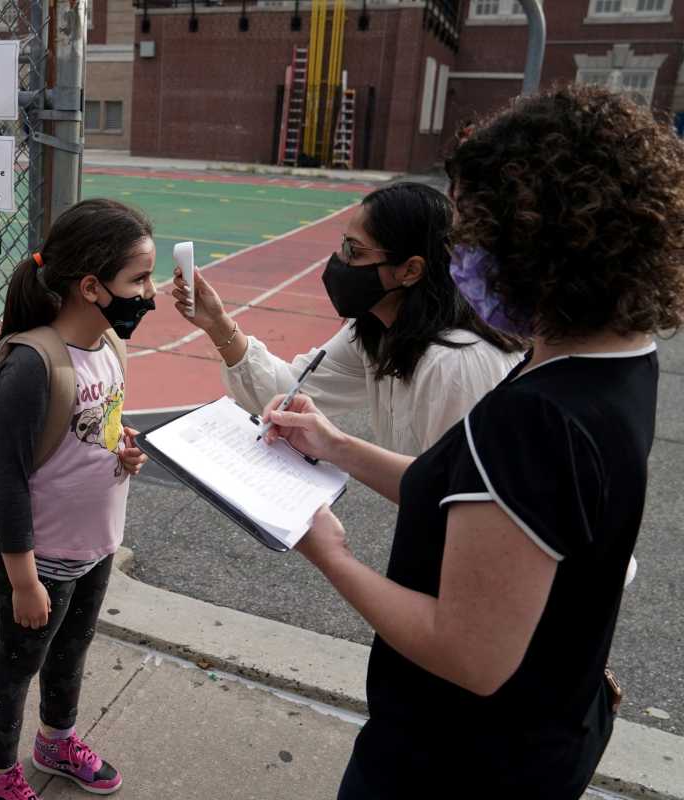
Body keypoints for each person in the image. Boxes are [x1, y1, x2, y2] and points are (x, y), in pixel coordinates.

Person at [263, 84, 684, 799]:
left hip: (458, 762)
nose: (460, 252)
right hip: (544, 730)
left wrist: (327, 552)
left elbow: (469, 654)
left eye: (471, 228)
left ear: (539, 242)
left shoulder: (537, 417)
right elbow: (475, 498)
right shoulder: (614, 358)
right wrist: (337, 445)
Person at [0, 199, 154, 800]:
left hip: (95, 543)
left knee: (72, 651)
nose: (149, 295)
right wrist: (23, 580)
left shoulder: (111, 349)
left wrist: (123, 454)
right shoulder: (33, 363)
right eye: (139, 280)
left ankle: (55, 741)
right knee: (17, 665)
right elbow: (8, 480)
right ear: (91, 287)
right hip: (39, 558)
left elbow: (97, 433)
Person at [172, 182, 524, 455]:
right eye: (344, 245)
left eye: (354, 251)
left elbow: (452, 495)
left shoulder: (457, 362)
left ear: (410, 270)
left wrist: (337, 453)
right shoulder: (377, 330)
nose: (340, 260)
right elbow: (287, 391)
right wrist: (218, 323)